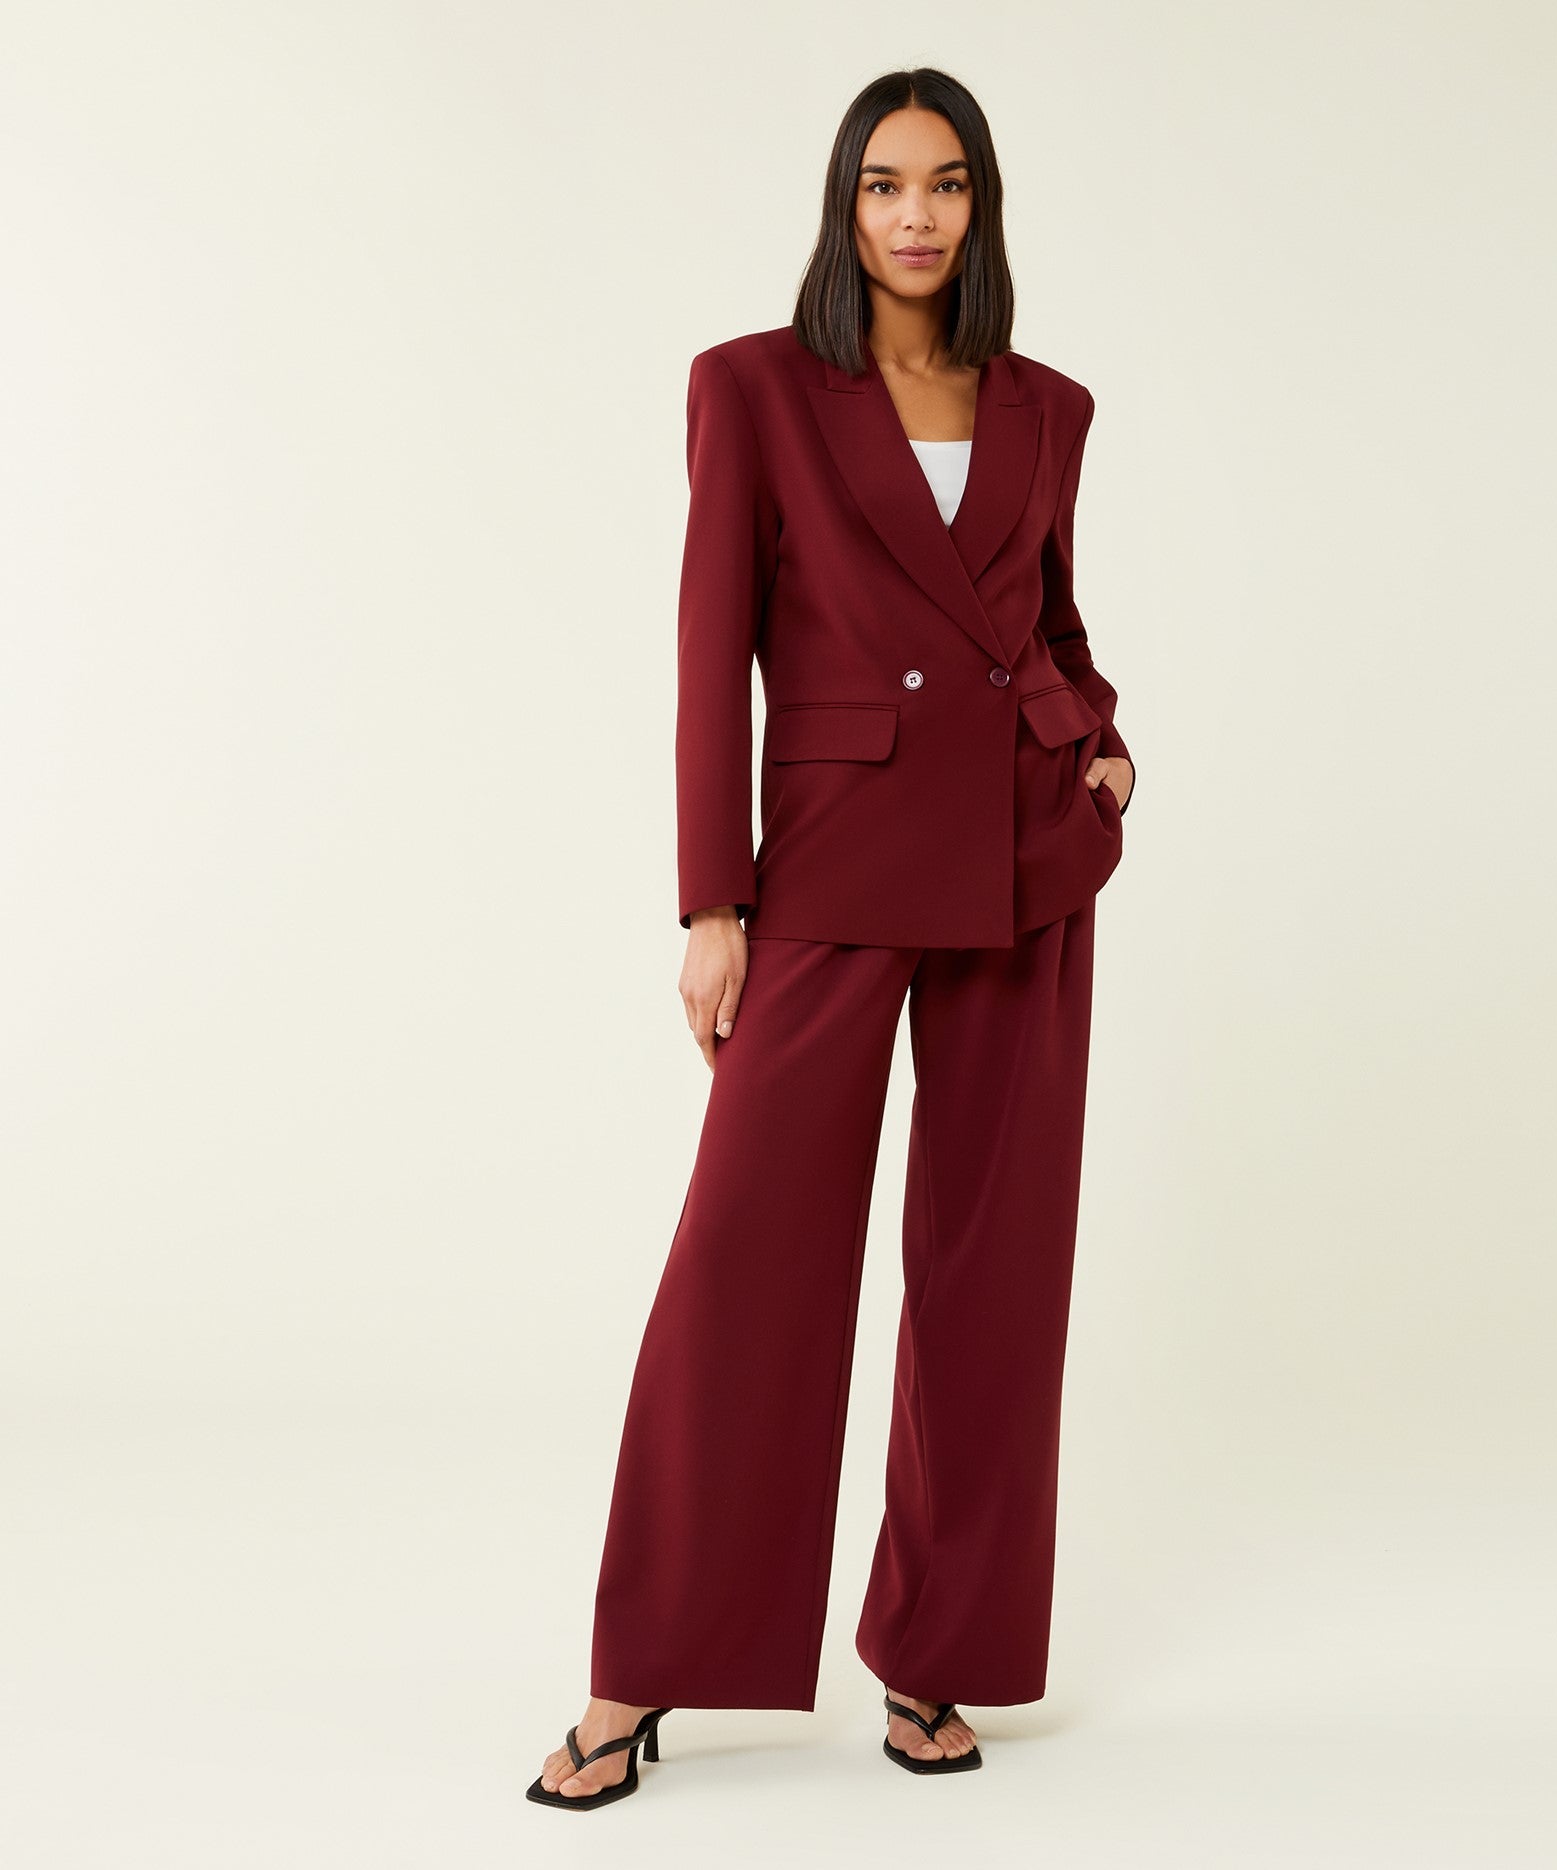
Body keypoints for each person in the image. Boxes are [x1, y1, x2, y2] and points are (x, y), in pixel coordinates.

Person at [527, 65, 1134, 1813]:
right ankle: (643, 1666)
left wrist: (1101, 738)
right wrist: (713, 900)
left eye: (945, 184)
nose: (915, 215)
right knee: (750, 1255)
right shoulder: (755, 387)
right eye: (884, 184)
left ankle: (934, 1648)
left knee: (994, 1270)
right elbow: (709, 644)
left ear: (982, 203)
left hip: (1025, 859)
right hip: (835, 864)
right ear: (843, 203)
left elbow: (1051, 621)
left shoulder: (1048, 405)